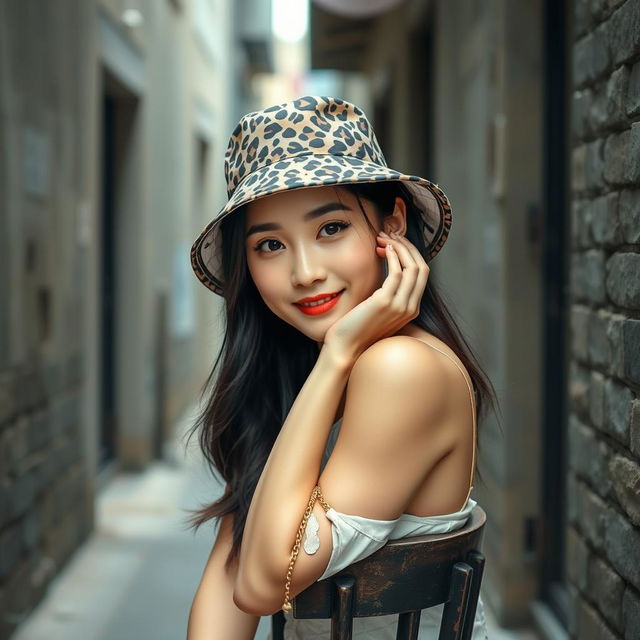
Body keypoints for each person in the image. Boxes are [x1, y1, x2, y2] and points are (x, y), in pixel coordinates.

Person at [185, 95, 497, 639]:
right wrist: (330, 363)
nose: (304, 272)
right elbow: (229, 575)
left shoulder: (401, 368)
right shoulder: (299, 372)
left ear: (392, 225)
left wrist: (335, 357)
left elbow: (262, 584)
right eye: (270, 244)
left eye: (330, 228)